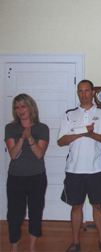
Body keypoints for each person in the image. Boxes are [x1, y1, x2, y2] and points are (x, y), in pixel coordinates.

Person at [57, 80, 101, 252]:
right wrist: (79, 133)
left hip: (97, 168)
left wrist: (91, 134)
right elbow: (61, 141)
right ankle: (75, 242)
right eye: (80, 91)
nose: (83, 94)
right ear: (77, 93)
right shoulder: (69, 114)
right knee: (76, 207)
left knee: (98, 206)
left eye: (86, 91)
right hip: (74, 169)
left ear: (93, 92)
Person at [4, 94, 49, 252]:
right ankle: (14, 247)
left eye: (23, 106)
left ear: (30, 107)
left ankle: (32, 247)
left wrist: (30, 139)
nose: (20, 110)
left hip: (37, 177)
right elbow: (13, 154)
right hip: (16, 178)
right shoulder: (10, 128)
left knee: (35, 212)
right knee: (15, 215)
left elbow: (39, 154)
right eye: (17, 107)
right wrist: (22, 138)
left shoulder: (42, 128)